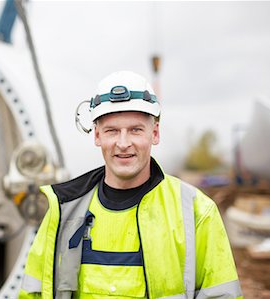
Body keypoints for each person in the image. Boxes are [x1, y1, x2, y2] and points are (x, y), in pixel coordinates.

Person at [19, 71, 243, 299]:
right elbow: (33, 293)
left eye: (135, 130)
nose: (123, 143)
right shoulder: (64, 210)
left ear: (154, 134)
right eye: (112, 131)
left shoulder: (195, 212)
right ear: (97, 136)